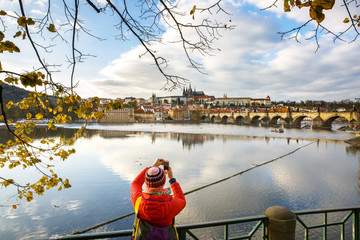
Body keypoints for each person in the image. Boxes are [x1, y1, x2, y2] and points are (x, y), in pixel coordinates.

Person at [131, 158, 186, 228]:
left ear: (146, 181)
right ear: (163, 183)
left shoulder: (138, 200)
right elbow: (182, 200)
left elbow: (135, 183)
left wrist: (151, 168)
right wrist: (172, 179)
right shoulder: (171, 203)